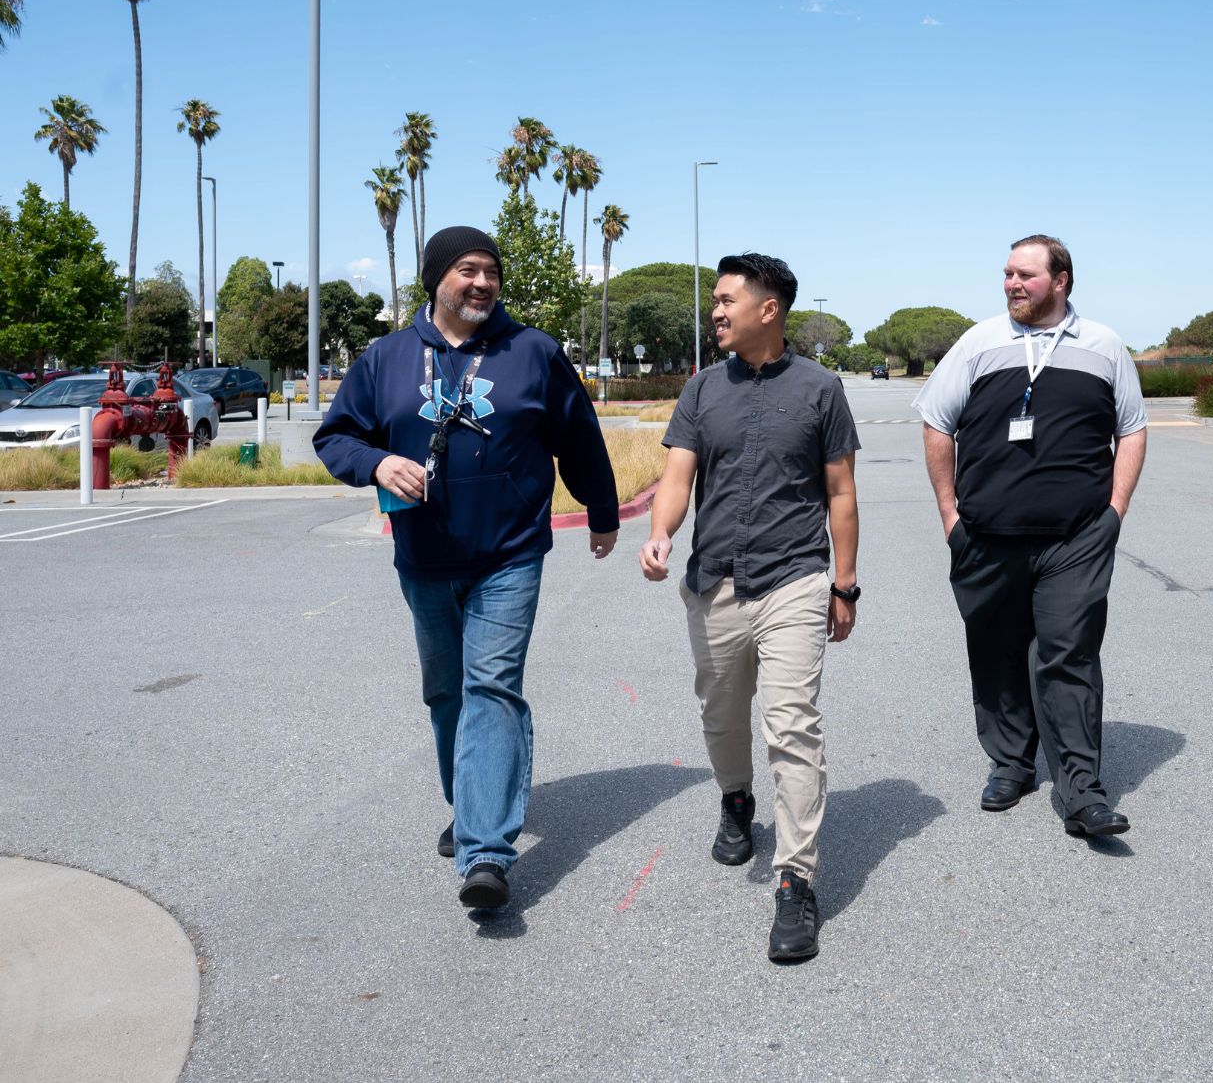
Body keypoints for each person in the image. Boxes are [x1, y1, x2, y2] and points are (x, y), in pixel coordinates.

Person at [315, 225, 619, 909]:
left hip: (508, 554)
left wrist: (601, 511)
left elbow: (578, 436)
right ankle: (472, 801)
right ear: (436, 279)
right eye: (466, 271)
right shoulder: (386, 358)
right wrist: (377, 462)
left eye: (490, 272)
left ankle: (486, 851)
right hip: (422, 555)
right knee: (445, 691)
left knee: (492, 687)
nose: (481, 283)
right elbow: (336, 435)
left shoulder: (532, 352)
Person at [639, 252, 859, 962]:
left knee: (792, 724)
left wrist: (843, 583)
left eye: (729, 300)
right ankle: (737, 800)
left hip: (795, 576)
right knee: (722, 710)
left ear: (770, 309)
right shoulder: (702, 390)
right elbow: (678, 476)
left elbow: (841, 493)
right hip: (716, 581)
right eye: (715, 301)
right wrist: (661, 534)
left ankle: (797, 882)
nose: (717, 311)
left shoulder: (821, 389)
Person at [914, 234, 1147, 838]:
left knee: (1069, 655)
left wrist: (1114, 511)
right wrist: (950, 518)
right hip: (986, 537)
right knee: (995, 654)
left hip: (1075, 539)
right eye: (1008, 274)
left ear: (1061, 280)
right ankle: (1011, 763)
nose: (1012, 284)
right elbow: (937, 424)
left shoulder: (1103, 346)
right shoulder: (978, 342)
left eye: (1025, 275)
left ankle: (1082, 791)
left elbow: (1132, 429)